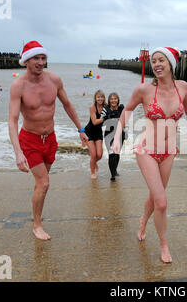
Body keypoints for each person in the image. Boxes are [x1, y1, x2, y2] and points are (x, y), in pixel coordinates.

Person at [111, 47, 187, 263]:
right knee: (161, 202)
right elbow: (127, 112)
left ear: (171, 64)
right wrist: (117, 136)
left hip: (169, 151)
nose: (157, 64)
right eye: (154, 61)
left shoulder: (182, 87)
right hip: (147, 150)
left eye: (161, 60)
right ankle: (164, 245)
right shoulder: (144, 90)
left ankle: (143, 221)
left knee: (155, 196)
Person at [8, 40, 88, 240]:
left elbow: (67, 104)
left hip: (50, 139)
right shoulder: (18, 85)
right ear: (26, 61)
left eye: (43, 58)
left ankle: (37, 213)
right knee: (44, 183)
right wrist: (18, 152)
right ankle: (37, 225)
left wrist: (81, 129)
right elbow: (12, 120)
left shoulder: (55, 80)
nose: (41, 62)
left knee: (40, 185)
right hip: (29, 140)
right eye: (36, 58)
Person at [101, 92, 126, 181]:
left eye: (115, 98)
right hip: (109, 134)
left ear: (118, 100)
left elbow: (125, 121)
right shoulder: (106, 109)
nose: (113, 100)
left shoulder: (121, 108)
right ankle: (112, 175)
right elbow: (101, 122)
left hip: (120, 134)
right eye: (111, 99)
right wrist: (108, 116)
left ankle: (114, 170)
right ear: (109, 100)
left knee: (117, 153)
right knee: (111, 153)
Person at [84, 90, 106, 179]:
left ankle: (94, 162)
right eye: (98, 97)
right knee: (93, 155)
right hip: (89, 132)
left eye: (102, 97)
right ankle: (92, 173)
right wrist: (105, 118)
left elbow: (114, 108)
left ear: (104, 98)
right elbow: (94, 122)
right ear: (95, 98)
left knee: (99, 155)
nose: (100, 99)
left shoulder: (106, 106)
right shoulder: (92, 107)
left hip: (98, 132)